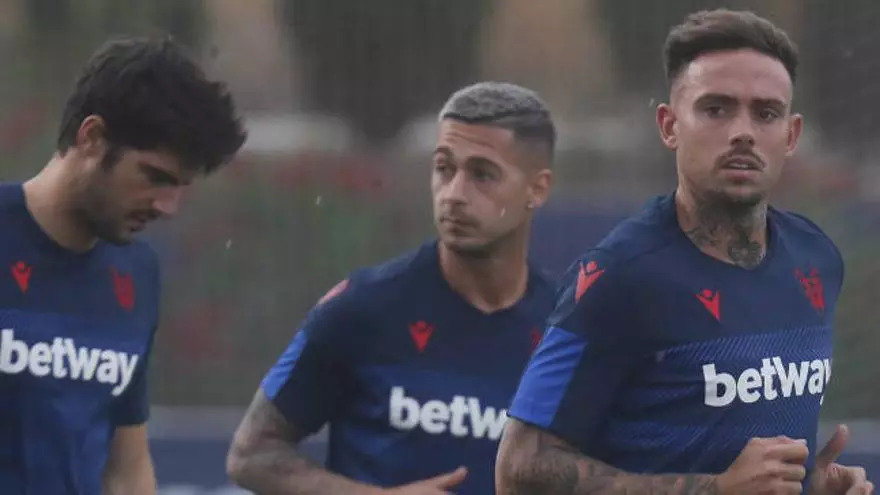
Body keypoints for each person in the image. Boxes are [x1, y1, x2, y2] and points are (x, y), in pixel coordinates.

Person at [496, 9, 874, 495]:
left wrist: (811, 484)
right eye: (716, 109)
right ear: (670, 125)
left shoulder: (817, 259)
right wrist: (712, 489)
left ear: (791, 135)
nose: (743, 132)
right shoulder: (618, 276)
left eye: (766, 113)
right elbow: (518, 469)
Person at [226, 81, 556, 495]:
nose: (454, 194)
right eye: (444, 168)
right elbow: (251, 454)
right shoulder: (363, 308)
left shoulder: (567, 330)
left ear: (536, 189)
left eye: (482, 175)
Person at [0, 37, 246, 494]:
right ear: (92, 138)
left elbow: (126, 468)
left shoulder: (137, 273)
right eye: (154, 177)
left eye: (180, 187)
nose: (168, 206)